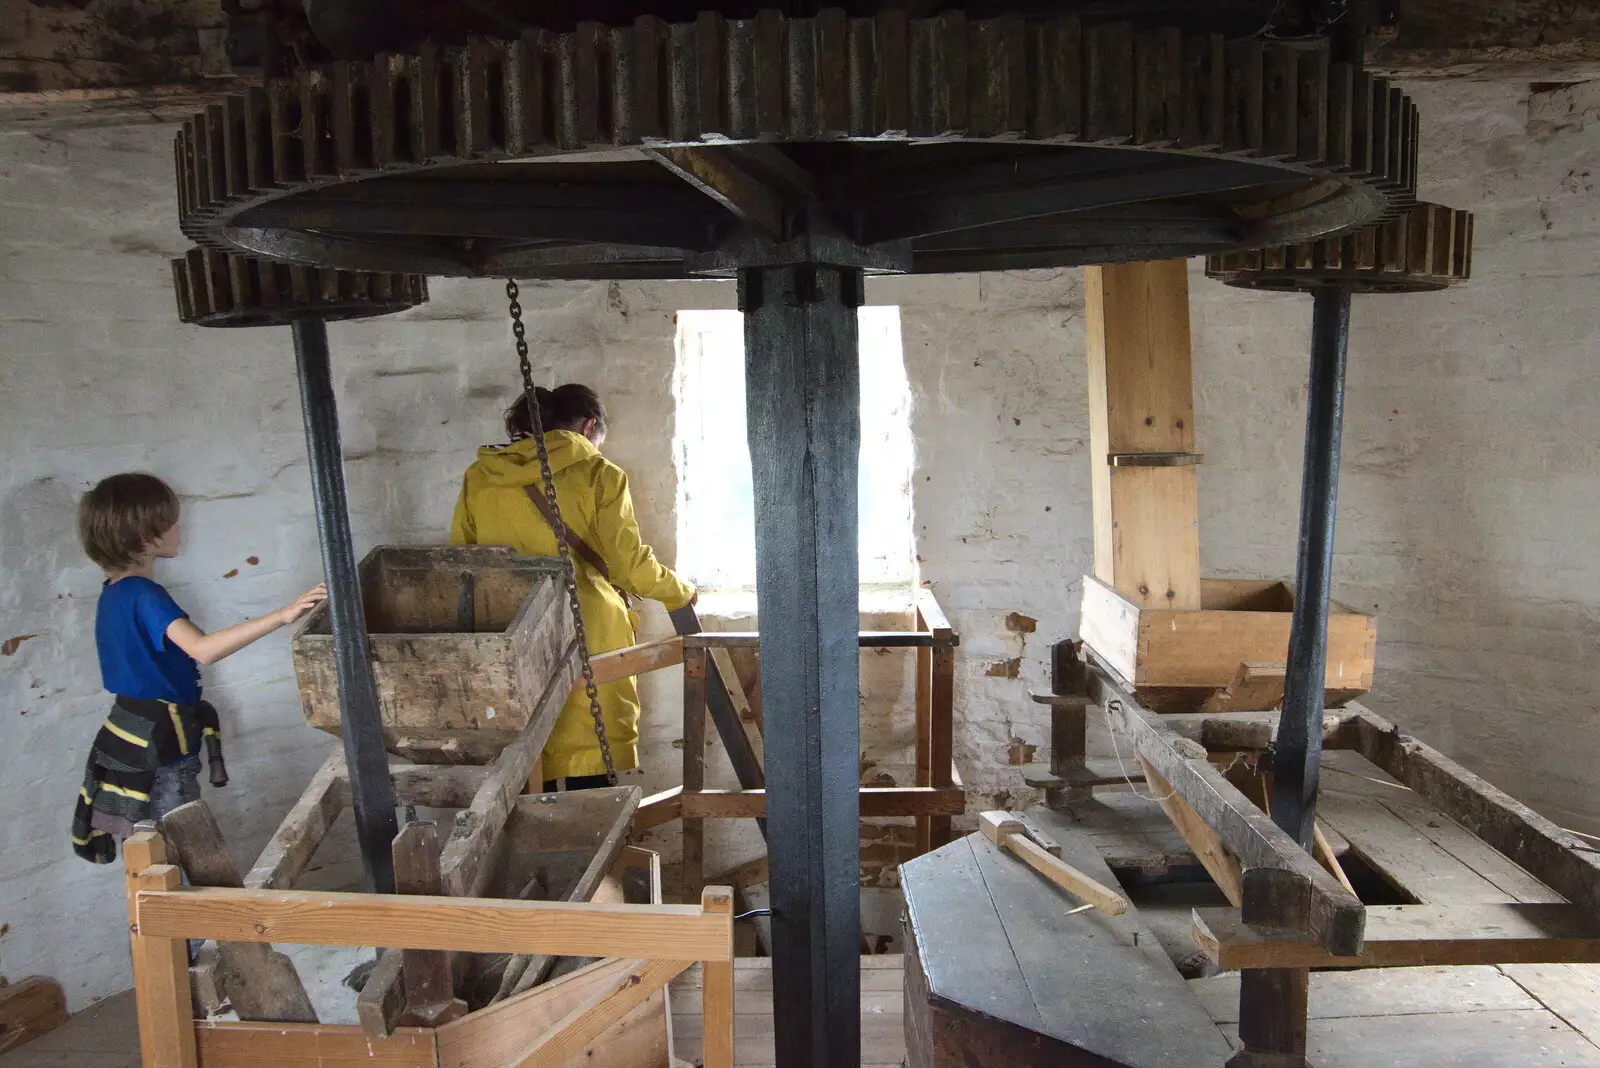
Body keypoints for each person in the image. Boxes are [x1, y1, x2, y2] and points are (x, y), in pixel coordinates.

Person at [71, 473, 326, 862]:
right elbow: (203, 650)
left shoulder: (113, 592)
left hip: (129, 733)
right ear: (144, 533)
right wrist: (283, 615)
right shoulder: (144, 594)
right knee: (180, 851)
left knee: (152, 850)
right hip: (161, 742)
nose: (178, 527)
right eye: (170, 520)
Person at [451, 384, 696, 789]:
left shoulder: (480, 476)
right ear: (589, 426)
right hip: (589, 633)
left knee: (529, 769)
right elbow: (629, 565)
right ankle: (600, 850)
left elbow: (462, 561)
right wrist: (678, 591)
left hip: (515, 634)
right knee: (591, 769)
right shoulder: (600, 474)